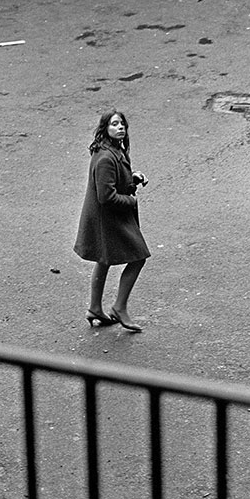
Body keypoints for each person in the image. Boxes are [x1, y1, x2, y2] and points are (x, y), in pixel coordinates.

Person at [74, 109, 151, 332]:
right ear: (105, 129)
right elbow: (106, 197)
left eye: (122, 124)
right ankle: (119, 307)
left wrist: (132, 178)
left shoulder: (114, 151)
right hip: (108, 219)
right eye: (114, 124)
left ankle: (95, 309)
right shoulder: (106, 157)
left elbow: (113, 182)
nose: (120, 128)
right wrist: (131, 201)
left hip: (105, 218)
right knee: (139, 257)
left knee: (104, 258)